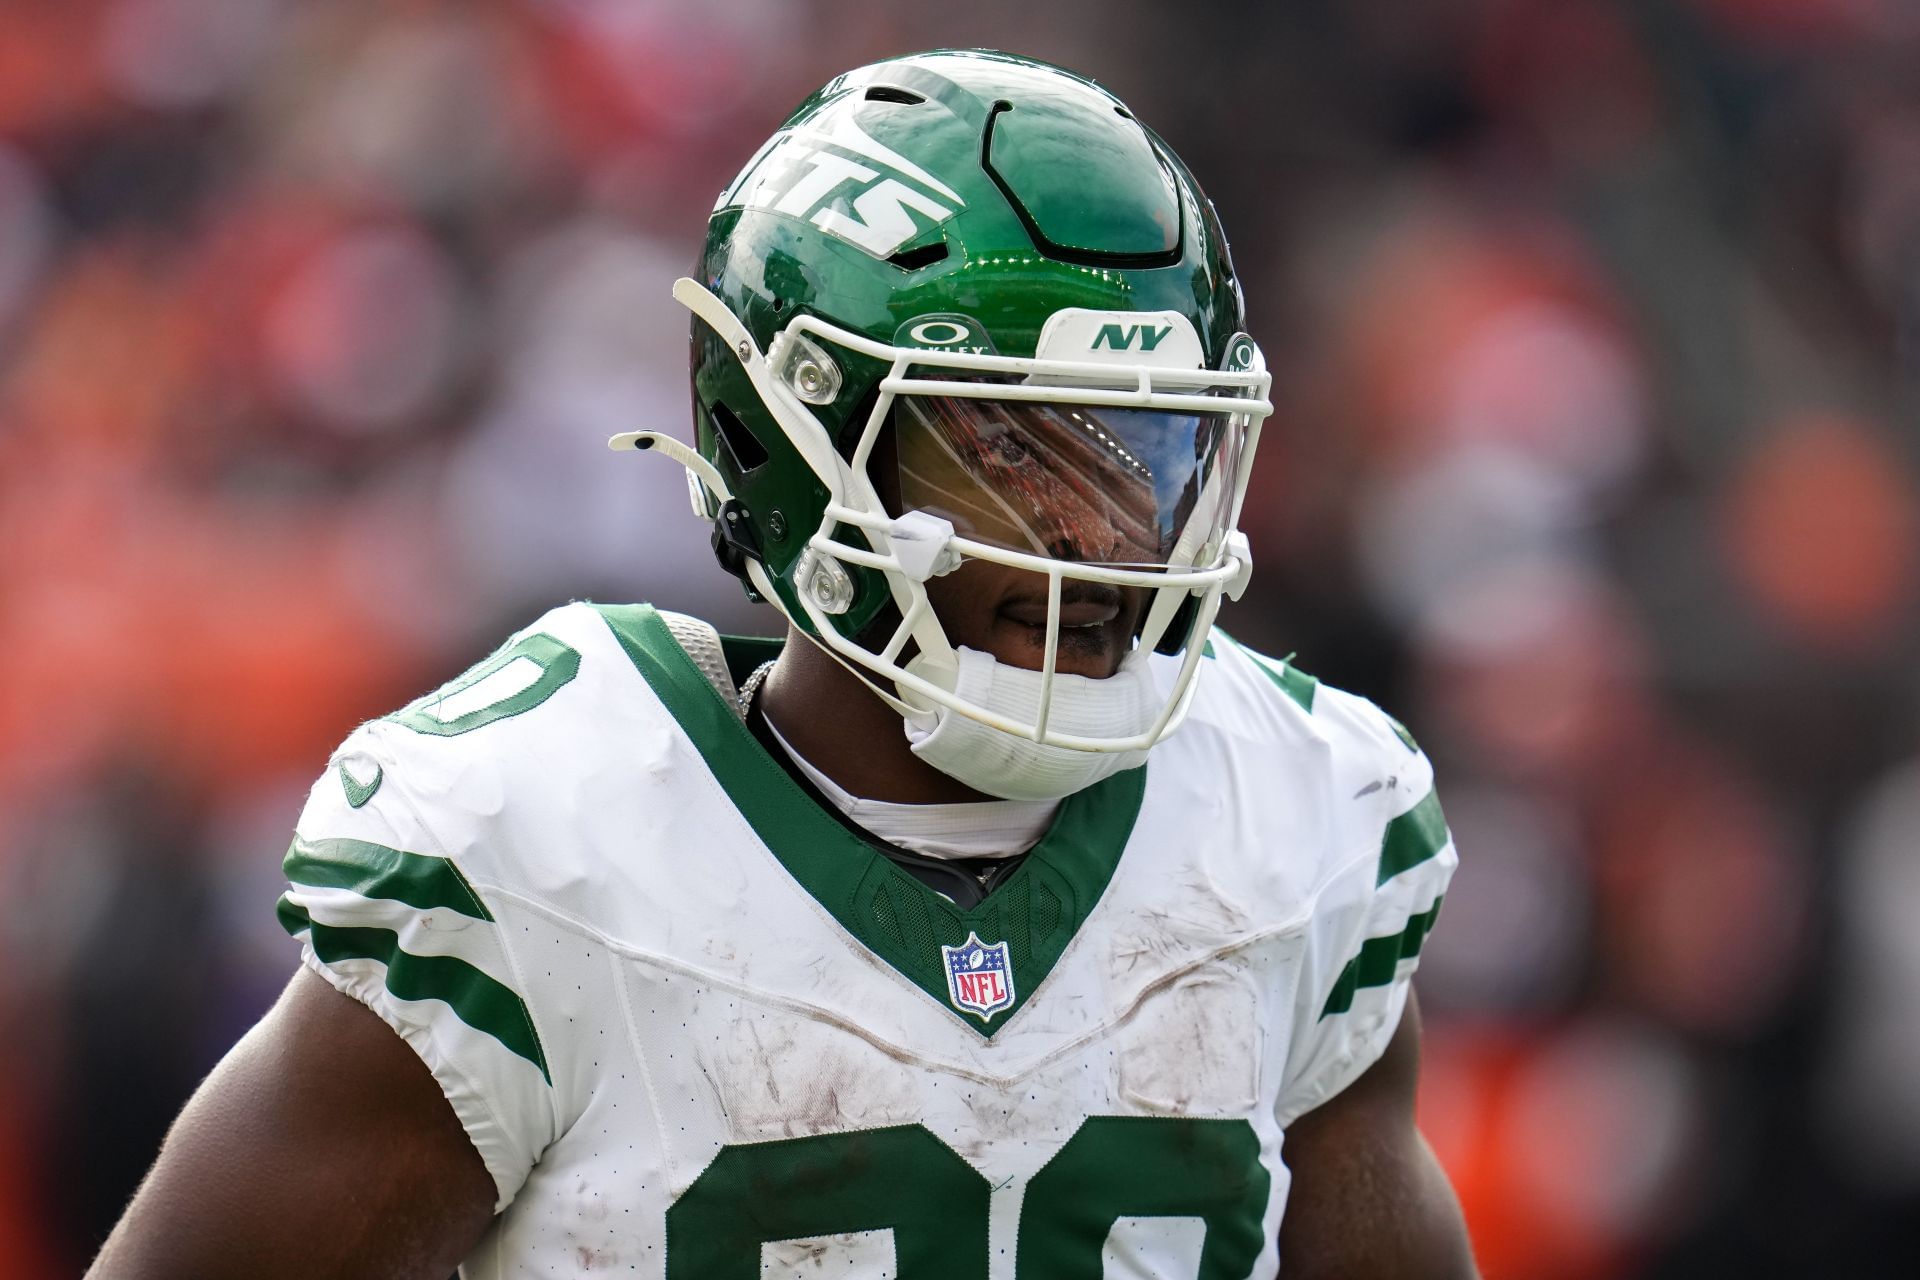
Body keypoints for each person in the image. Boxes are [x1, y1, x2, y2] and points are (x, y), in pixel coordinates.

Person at [89, 50, 1475, 1279]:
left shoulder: (1295, 830)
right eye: (1010, 455)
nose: (1095, 545)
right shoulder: (543, 853)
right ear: (790, 447)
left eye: (1145, 457)